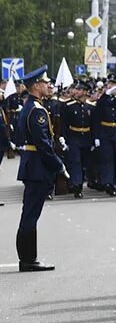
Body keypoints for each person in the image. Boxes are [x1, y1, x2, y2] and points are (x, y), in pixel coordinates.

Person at [13, 66, 65, 272]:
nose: (49, 86)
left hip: (32, 165)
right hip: (37, 167)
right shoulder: (37, 110)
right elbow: (43, 144)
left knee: (30, 213)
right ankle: (28, 259)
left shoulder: (32, 107)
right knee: (31, 214)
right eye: (45, 83)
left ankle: (27, 258)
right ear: (36, 86)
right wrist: (58, 165)